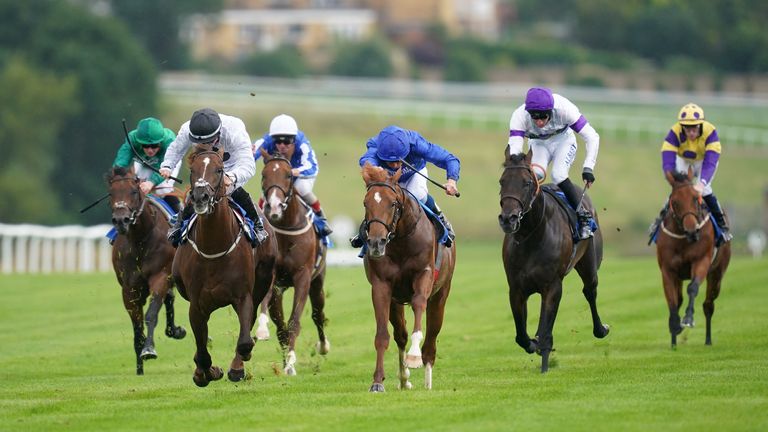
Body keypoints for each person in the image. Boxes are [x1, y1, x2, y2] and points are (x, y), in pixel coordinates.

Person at [160, 108, 269, 247]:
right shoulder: (187, 129)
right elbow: (176, 149)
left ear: (218, 134)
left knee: (229, 190)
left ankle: (257, 224)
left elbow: (248, 165)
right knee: (199, 190)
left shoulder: (234, 130)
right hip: (205, 165)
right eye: (199, 142)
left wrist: (232, 176)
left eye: (208, 142)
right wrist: (167, 166)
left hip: (232, 164)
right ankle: (179, 225)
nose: (203, 145)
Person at [507, 87, 600, 240]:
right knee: (534, 175)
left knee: (558, 175)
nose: (539, 122)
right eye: (534, 117)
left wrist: (588, 167)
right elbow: (515, 148)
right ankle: (522, 217)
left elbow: (592, 137)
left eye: (543, 116)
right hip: (538, 143)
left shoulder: (564, 108)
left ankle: (583, 215)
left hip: (563, 141)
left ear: (551, 110)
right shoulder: (519, 115)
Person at [350, 125, 460, 248]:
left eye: (398, 160)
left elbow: (449, 159)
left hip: (414, 174)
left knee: (417, 194)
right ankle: (367, 229)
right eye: (390, 162)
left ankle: (440, 218)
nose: (396, 165)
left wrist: (452, 180)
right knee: (380, 200)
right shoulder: (375, 146)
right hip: (389, 180)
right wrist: (374, 168)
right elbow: (366, 159)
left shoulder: (417, 144)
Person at [649, 103, 732, 242]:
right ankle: (659, 221)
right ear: (682, 127)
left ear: (701, 125)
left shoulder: (710, 133)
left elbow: (710, 162)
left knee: (705, 189)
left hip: (704, 162)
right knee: (679, 190)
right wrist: (669, 175)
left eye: (694, 129)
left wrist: (701, 183)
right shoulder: (674, 132)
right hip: (684, 160)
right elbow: (668, 159)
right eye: (688, 129)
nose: (691, 133)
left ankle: (722, 224)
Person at [253, 114, 332, 237]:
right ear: (272, 138)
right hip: (279, 175)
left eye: (287, 141)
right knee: (268, 192)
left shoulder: (303, 144)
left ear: (294, 140)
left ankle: (321, 218)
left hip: (301, 175)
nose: (282, 145)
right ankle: (256, 221)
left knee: (303, 189)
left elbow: (312, 166)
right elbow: (250, 154)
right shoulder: (267, 140)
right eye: (278, 141)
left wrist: (296, 171)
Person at [112, 117, 181, 212]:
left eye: (154, 145)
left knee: (162, 190)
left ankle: (181, 217)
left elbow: (165, 167)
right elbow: (121, 162)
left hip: (169, 163)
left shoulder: (169, 141)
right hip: (144, 163)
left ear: (161, 142)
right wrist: (118, 180)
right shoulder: (132, 139)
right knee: (137, 188)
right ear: (139, 142)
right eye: (145, 145)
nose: (150, 150)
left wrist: (151, 182)